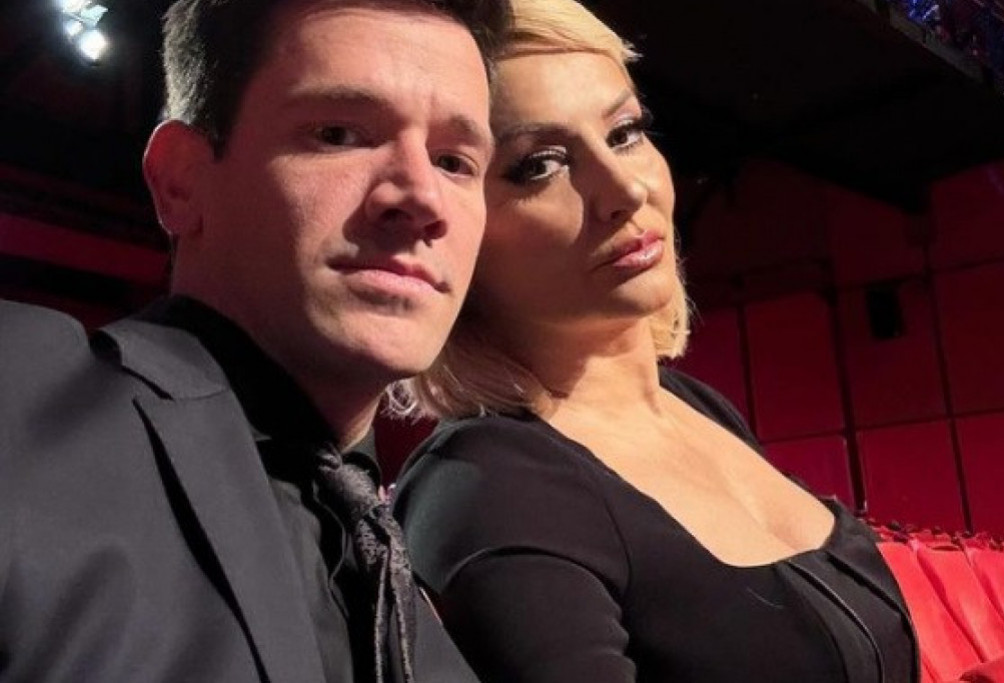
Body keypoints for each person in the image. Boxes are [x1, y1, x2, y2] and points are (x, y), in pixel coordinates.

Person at [390, 0, 920, 681]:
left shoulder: (694, 405)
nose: (624, 190)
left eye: (625, 133)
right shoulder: (487, 488)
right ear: (453, 221)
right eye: (540, 165)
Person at [0, 0, 507, 681]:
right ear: (181, 181)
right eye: (338, 134)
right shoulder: (20, 396)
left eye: (454, 161)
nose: (423, 197)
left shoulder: (424, 617)